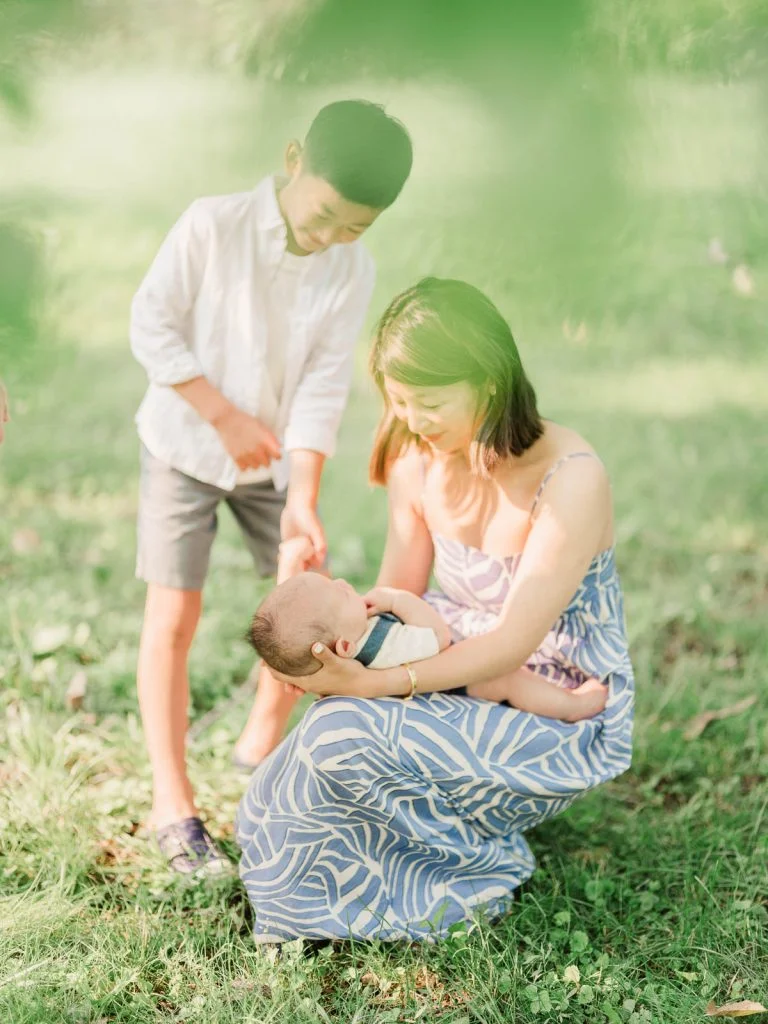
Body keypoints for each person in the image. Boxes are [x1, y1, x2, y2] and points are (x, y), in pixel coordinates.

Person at [237, 277, 635, 943]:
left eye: (427, 401)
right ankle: (303, 884)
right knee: (325, 730)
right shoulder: (416, 462)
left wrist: (376, 685)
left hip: (554, 703)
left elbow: (511, 646)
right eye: (397, 401)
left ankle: (471, 873)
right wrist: (336, 658)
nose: (412, 420)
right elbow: (395, 597)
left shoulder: (571, 478)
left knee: (346, 730)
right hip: (448, 662)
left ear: (487, 380)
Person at [130, 100, 413, 874]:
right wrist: (220, 415)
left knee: (306, 599)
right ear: (294, 160)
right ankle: (172, 801)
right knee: (174, 616)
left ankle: (261, 747)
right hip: (185, 444)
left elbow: (324, 385)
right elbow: (151, 323)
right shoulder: (210, 226)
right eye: (323, 213)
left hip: (276, 463)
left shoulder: (351, 269)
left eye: (354, 227)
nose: (329, 237)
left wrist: (303, 498)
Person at [249, 536, 608, 720]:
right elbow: (439, 637)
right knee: (508, 680)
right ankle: (571, 706)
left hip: (418, 689)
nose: (344, 582)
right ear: (343, 647)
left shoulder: (342, 655)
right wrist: (397, 600)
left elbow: (296, 633)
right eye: (340, 594)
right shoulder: (380, 644)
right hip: (450, 688)